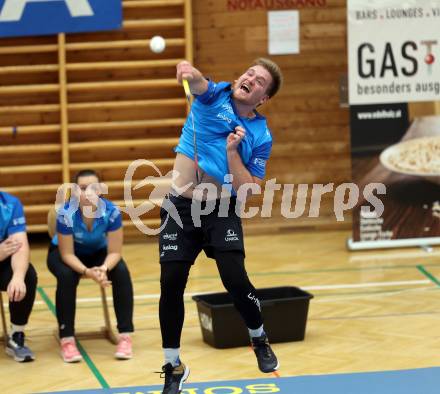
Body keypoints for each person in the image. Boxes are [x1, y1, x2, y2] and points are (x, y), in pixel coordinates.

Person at [158, 58, 283, 393]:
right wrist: (188, 70)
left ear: (262, 98)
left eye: (258, 81)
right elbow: (198, 82)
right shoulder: (215, 96)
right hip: (180, 206)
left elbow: (248, 189)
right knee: (171, 280)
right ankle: (173, 365)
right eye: (249, 73)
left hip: (221, 207)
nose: (249, 79)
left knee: (234, 277)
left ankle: (259, 338)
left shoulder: (260, 135)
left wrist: (232, 153)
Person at [47, 169, 134, 363]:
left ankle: (125, 336)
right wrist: (88, 272)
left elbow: (115, 252)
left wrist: (103, 269)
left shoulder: (111, 212)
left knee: (120, 271)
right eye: (83, 188)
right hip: (65, 255)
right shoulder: (66, 213)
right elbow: (67, 254)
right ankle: (67, 339)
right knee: (67, 276)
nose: (88, 193)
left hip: (97, 253)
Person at [0, 191, 37, 362]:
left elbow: (19, 244)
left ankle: (16, 335)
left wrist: (18, 276)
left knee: (28, 275)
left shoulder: (10, 203)